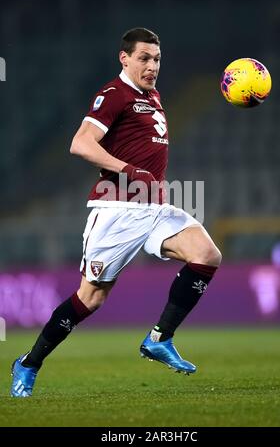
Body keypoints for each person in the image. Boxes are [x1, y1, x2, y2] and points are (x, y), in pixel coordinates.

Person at [11, 27, 222, 397]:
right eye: (144, 57)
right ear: (124, 58)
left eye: (156, 58)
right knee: (89, 299)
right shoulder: (113, 94)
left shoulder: (152, 96)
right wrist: (127, 169)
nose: (152, 65)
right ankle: (29, 363)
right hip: (116, 210)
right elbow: (80, 144)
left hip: (154, 206)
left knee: (206, 255)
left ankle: (159, 338)